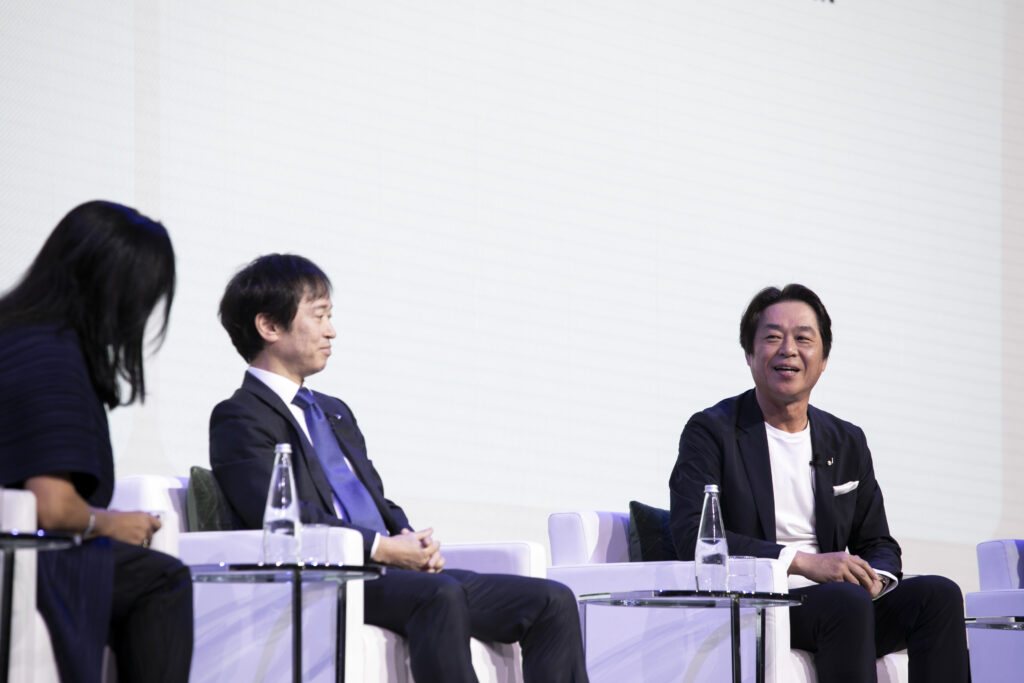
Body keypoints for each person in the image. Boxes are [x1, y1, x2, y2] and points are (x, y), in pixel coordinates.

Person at [210, 253, 588, 683]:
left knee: (552, 600)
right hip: (330, 578)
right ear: (270, 326)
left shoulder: (332, 411)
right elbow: (282, 516)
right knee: (439, 594)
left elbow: (372, 498)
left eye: (331, 316)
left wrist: (409, 541)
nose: (332, 331)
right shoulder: (239, 416)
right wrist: (381, 548)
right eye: (319, 316)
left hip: (388, 570)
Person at [669, 284, 968, 683]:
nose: (788, 349)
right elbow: (693, 533)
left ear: (823, 358)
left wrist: (875, 577)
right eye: (772, 337)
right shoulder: (712, 431)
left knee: (939, 595)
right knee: (844, 601)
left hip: (842, 604)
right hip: (765, 602)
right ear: (749, 354)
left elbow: (877, 541)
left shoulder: (846, 440)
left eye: (803, 339)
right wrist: (805, 563)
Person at [0, 201, 193, 683]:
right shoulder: (52, 355)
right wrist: (110, 523)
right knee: (162, 580)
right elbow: (49, 506)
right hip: (22, 556)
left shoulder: (14, 333)